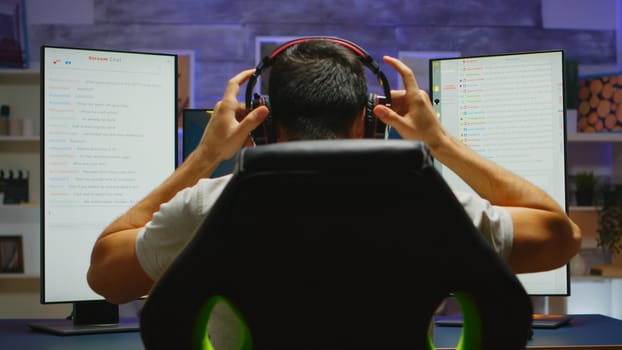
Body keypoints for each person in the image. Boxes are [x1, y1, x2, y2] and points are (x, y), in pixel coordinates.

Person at [87, 39, 582, 305]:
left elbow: (108, 276)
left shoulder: (206, 207)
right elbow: (561, 236)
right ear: (371, 122)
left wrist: (202, 157)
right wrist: (438, 141)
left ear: (262, 126)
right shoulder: (434, 207)